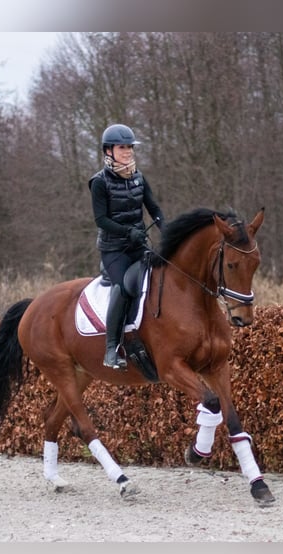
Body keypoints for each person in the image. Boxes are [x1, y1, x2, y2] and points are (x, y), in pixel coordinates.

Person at [88, 123, 165, 369]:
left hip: (138, 244)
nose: (128, 152)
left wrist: (169, 231)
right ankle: (111, 349)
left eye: (130, 147)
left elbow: (153, 208)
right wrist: (127, 232)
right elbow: (101, 220)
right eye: (123, 147)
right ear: (108, 150)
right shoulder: (99, 182)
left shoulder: (138, 177)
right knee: (123, 287)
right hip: (114, 250)